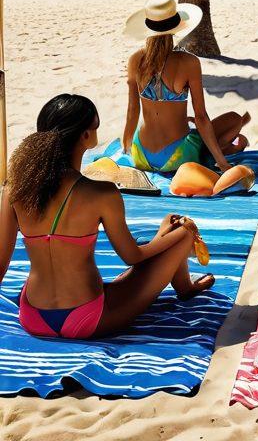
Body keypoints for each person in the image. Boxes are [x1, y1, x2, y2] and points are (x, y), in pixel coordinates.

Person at [0, 94, 214, 340]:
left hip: (33, 316)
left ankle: (180, 273)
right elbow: (131, 256)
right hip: (86, 317)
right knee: (185, 232)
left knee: (135, 270)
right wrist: (178, 232)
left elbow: (0, 266)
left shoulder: (14, 190)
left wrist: (161, 235)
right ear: (86, 136)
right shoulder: (101, 193)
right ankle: (185, 288)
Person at [123, 0, 249, 173]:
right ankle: (235, 144)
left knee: (206, 127)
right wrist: (222, 163)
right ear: (177, 27)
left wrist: (126, 148)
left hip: (141, 155)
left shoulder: (135, 59)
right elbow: (201, 117)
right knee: (233, 119)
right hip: (177, 156)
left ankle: (236, 141)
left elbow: (132, 112)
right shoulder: (188, 62)